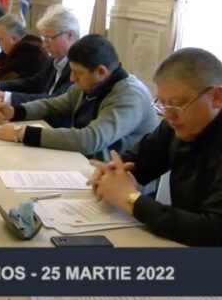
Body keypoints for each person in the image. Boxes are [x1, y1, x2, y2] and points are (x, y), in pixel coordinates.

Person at [88, 48, 222, 246]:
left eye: (177, 104)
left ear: (217, 97)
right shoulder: (175, 125)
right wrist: (112, 172)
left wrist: (130, 199)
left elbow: (213, 230)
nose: (168, 116)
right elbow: (138, 161)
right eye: (163, 104)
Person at [0, 34, 158, 161]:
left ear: (101, 72)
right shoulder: (90, 84)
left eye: (78, 73)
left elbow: (90, 140)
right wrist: (14, 111)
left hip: (125, 182)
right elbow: (52, 105)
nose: (72, 78)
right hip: (88, 165)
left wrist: (22, 133)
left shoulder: (130, 95)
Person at [0, 5, 79, 115]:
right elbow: (33, 83)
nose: (44, 45)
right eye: (44, 39)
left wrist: (5, 97)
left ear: (70, 35)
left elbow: (54, 100)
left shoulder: (78, 66)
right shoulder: (54, 60)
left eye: (48, 39)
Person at [0, 14, 50, 81]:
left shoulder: (30, 52)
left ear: (13, 39)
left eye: (0, 39)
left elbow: (2, 77)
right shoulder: (11, 49)